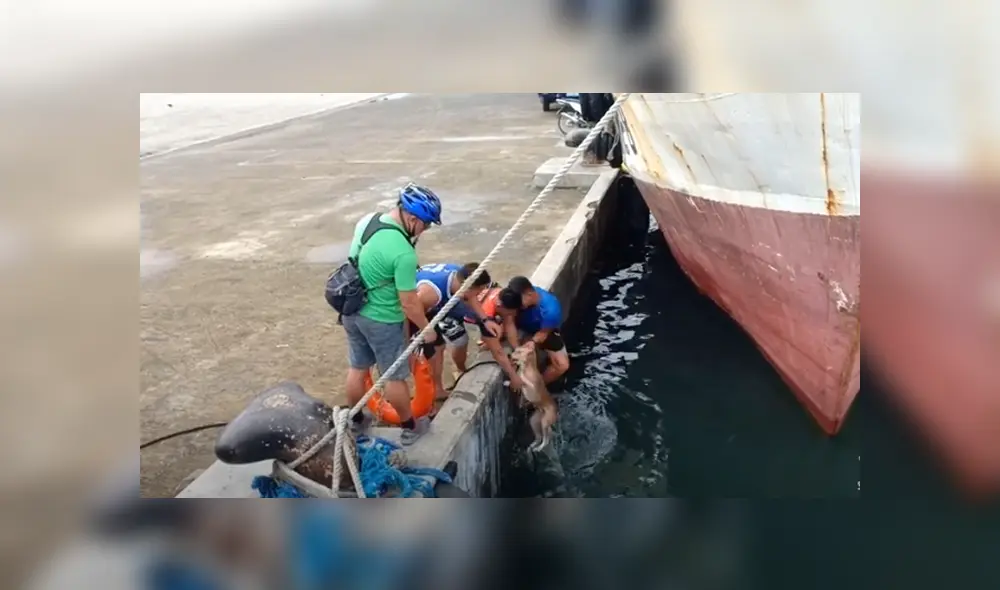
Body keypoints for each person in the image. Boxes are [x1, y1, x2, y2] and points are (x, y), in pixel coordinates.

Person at [341, 183, 443, 445]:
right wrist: (427, 329)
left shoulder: (367, 221)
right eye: (426, 224)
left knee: (357, 367)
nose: (426, 230)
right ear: (412, 218)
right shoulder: (403, 252)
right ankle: (410, 425)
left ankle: (355, 421)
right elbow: (409, 302)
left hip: (352, 311)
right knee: (394, 377)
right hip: (383, 319)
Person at [411, 262, 503, 398]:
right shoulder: (430, 294)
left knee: (447, 344)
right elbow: (411, 309)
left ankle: (440, 385)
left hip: (437, 303)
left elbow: (471, 297)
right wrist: (419, 332)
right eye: (479, 291)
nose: (479, 295)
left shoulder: (462, 277)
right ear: (468, 288)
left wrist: (485, 320)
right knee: (431, 352)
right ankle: (429, 393)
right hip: (416, 309)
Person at [497, 276, 570, 385]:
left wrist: (532, 342)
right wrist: (518, 349)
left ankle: (538, 386)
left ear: (529, 295)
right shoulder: (514, 299)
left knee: (562, 365)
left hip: (540, 330)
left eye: (518, 302)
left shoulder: (550, 311)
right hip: (520, 326)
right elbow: (509, 322)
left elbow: (543, 333)